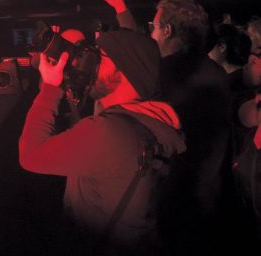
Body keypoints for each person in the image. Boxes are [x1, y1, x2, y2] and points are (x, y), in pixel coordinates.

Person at [19, 29, 185, 252]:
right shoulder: (149, 120)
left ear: (127, 71)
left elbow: (31, 155)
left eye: (99, 57)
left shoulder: (109, 131)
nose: (88, 64)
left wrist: (50, 88)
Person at [104, 0, 230, 249]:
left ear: (168, 31)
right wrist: (121, 8)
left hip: (170, 202)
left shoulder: (164, 74)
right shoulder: (217, 73)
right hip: (209, 197)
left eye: (153, 26)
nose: (150, 33)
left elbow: (136, 57)